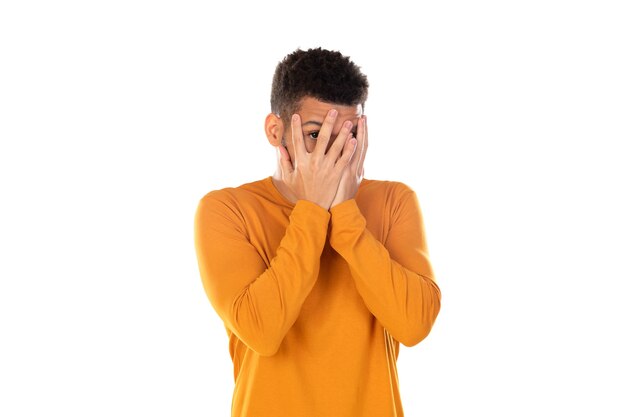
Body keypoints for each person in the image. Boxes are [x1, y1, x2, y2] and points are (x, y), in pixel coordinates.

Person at [194, 47, 441, 417]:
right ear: (276, 131)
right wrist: (311, 212)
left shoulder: (394, 201)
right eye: (315, 134)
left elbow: (414, 324)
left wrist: (345, 214)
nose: (336, 152)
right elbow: (261, 330)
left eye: (349, 135)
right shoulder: (227, 210)